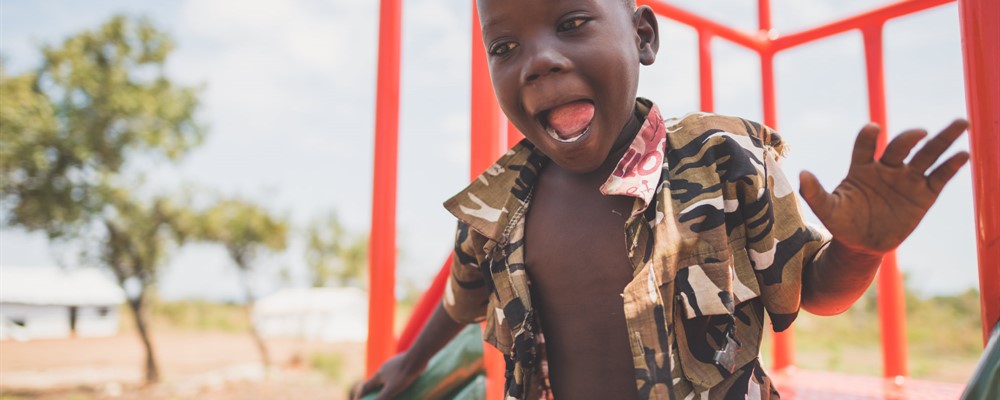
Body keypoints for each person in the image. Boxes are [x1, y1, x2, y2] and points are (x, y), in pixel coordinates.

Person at [357, 0, 970, 398]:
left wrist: (859, 250)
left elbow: (813, 290)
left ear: (643, 36)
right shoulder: (500, 203)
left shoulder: (722, 159)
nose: (539, 61)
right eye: (504, 47)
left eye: (571, 24)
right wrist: (409, 362)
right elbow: (462, 298)